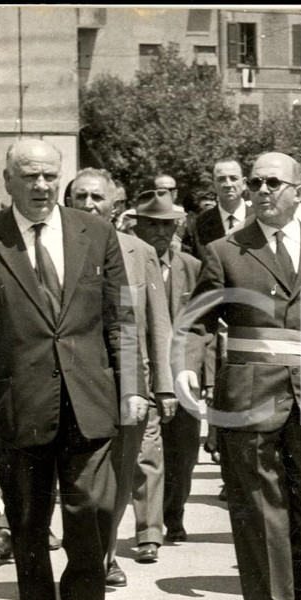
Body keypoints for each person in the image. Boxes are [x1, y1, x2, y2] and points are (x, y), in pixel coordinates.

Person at [0, 139, 144, 600]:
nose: (41, 186)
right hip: (20, 404)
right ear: (8, 180)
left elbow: (121, 318)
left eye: (50, 176)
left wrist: (132, 388)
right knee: (29, 525)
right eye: (29, 176)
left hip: (90, 399)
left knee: (92, 512)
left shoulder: (97, 233)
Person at [177, 151, 301, 600]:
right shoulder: (226, 251)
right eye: (255, 182)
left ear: (300, 190)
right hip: (249, 399)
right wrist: (190, 365)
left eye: (274, 182)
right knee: (259, 510)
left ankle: (296, 585)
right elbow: (195, 321)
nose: (262, 191)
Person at [69, 169, 177, 584]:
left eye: (99, 197)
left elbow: (158, 322)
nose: (90, 204)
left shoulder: (139, 251)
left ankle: (105, 553)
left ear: (117, 206)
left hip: (130, 383)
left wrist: (164, 386)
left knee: (120, 472)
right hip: (77, 381)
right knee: (82, 481)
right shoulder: (55, 248)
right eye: (82, 196)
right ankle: (89, 555)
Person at [132, 189, 205, 549]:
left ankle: (173, 514)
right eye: (152, 225)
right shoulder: (127, 262)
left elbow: (202, 326)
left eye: (168, 226)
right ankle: (150, 527)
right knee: (148, 451)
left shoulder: (191, 267)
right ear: (137, 226)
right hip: (143, 369)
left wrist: (198, 373)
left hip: (184, 374)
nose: (161, 233)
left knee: (184, 452)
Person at [184, 158, 251, 263]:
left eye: (233, 178)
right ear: (214, 185)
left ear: (244, 183)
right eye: (221, 179)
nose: (228, 184)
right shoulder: (197, 226)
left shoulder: (260, 219)